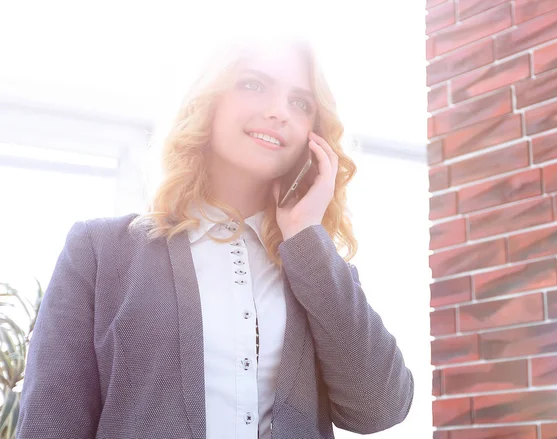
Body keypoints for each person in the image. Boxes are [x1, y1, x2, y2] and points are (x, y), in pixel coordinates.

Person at [15, 35, 414, 439]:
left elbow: (380, 408)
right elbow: (51, 423)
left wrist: (306, 235)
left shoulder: (318, 271)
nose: (279, 112)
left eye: (301, 103)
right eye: (254, 84)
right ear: (209, 101)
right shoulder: (99, 251)